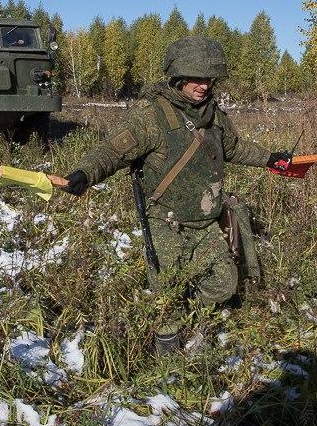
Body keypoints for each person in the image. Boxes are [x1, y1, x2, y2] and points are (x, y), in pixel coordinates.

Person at [60, 36, 291, 354]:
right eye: (196, 78)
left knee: (225, 282)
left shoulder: (213, 115)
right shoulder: (152, 116)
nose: (204, 86)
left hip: (206, 222)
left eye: (209, 79)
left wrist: (269, 158)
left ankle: (193, 320)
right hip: (166, 223)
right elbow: (112, 151)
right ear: (178, 76)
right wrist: (84, 173)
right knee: (167, 296)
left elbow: (234, 148)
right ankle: (166, 363)